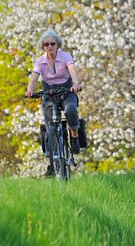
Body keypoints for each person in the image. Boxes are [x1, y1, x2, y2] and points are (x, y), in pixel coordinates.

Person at [25, 30, 82, 175]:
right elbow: (34, 77)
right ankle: (50, 166)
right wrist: (29, 90)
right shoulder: (40, 61)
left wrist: (75, 83)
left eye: (52, 43)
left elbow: (73, 70)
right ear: (43, 47)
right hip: (49, 93)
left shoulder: (65, 56)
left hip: (67, 91)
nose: (49, 46)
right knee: (49, 127)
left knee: (71, 111)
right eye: (46, 44)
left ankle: (74, 137)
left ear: (57, 45)